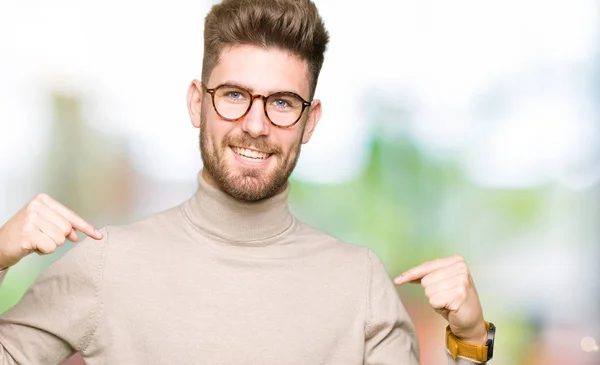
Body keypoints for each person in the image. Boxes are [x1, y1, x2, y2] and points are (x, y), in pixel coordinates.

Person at [0, 0, 494, 364]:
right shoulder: (107, 265)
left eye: (281, 102)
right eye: (234, 94)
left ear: (311, 120)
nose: (256, 126)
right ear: (197, 102)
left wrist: (470, 338)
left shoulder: (359, 283)